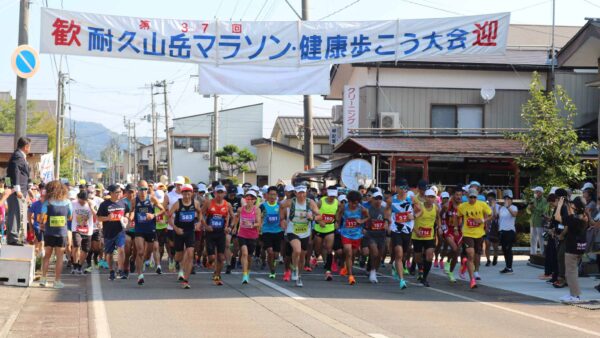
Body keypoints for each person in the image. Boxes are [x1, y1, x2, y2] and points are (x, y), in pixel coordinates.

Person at [279, 185, 321, 287]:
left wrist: (313, 217)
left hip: (305, 232)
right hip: (292, 229)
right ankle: (294, 267)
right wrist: (282, 219)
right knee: (297, 250)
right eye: (299, 193)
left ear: (306, 193)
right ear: (296, 193)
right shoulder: (291, 202)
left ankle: (299, 276)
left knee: (302, 256)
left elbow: (319, 216)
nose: (301, 195)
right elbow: (281, 206)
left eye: (303, 192)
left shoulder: (310, 202)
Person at [456, 188, 492, 289]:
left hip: (479, 234)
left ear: (477, 197)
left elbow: (491, 215)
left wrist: (482, 220)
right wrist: (456, 228)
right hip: (467, 234)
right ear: (467, 197)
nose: (472, 199)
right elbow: (457, 216)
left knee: (477, 255)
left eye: (474, 197)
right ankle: (472, 279)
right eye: (470, 197)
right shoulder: (462, 206)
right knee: (470, 254)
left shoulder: (482, 204)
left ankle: (471, 268)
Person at [38, 180, 72, 288]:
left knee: (47, 256)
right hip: (61, 233)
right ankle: (57, 281)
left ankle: (43, 279)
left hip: (49, 233)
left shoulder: (47, 203)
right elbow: (70, 217)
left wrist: (43, 223)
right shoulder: (68, 202)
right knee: (60, 258)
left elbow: (42, 219)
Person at [169, 184, 201, 289]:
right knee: (179, 256)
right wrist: (175, 228)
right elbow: (168, 216)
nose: (187, 196)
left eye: (188, 194)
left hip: (190, 231)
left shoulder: (195, 203)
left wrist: (198, 223)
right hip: (179, 232)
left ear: (191, 194)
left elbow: (200, 213)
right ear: (181, 194)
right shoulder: (177, 204)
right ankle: (176, 262)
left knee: (190, 254)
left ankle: (186, 280)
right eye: (185, 194)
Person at [557, 196, 588, 302]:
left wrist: (560, 205)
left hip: (572, 248)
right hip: (581, 247)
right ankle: (573, 294)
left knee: (570, 273)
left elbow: (558, 217)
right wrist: (569, 205)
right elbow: (572, 216)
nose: (572, 205)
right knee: (572, 272)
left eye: (573, 204)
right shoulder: (584, 216)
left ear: (577, 207)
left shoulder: (572, 219)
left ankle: (575, 296)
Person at [97, 184, 131, 281]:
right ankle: (111, 271)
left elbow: (127, 212)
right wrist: (107, 218)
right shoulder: (104, 204)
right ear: (111, 193)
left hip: (120, 231)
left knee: (121, 249)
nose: (119, 194)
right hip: (108, 232)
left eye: (120, 192)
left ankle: (120, 269)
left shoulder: (123, 203)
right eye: (117, 192)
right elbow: (98, 217)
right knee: (109, 253)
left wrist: (126, 218)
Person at [134, 180, 165, 286]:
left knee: (147, 254)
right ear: (137, 189)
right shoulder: (135, 200)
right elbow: (130, 212)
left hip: (150, 229)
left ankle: (144, 262)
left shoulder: (152, 198)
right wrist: (128, 219)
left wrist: (153, 215)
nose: (143, 191)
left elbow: (163, 209)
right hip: (139, 229)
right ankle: (140, 276)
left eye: (145, 189)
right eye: (141, 189)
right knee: (140, 251)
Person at [336, 190, 368, 285]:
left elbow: (368, 217)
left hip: (357, 234)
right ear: (348, 200)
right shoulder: (344, 207)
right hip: (345, 233)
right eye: (351, 202)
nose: (354, 205)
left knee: (353, 254)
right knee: (348, 252)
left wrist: (362, 221)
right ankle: (350, 276)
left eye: (356, 203)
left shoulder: (362, 209)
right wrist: (337, 222)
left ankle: (347, 268)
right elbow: (338, 214)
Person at [201, 185, 231, 286]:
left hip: (221, 233)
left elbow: (233, 216)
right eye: (218, 192)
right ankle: (207, 259)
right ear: (214, 193)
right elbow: (200, 214)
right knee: (212, 258)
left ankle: (217, 276)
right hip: (210, 233)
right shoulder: (208, 203)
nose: (219, 194)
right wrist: (205, 226)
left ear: (225, 194)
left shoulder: (227, 205)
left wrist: (229, 227)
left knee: (221, 257)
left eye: (221, 192)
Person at [412, 189, 441, 287]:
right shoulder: (419, 207)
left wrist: (440, 227)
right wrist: (416, 231)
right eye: (429, 197)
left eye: (432, 197)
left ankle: (424, 278)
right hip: (417, 236)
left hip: (429, 236)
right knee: (417, 257)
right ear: (425, 198)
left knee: (429, 256)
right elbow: (411, 219)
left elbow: (438, 218)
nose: (430, 199)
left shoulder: (436, 208)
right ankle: (420, 269)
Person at [6, 137, 32, 245]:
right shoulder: (17, 156)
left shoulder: (20, 156)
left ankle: (17, 237)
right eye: (29, 146)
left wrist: (29, 187)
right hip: (17, 190)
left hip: (21, 189)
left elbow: (24, 174)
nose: (30, 148)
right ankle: (13, 238)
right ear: (26, 147)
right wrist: (17, 189)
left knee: (18, 213)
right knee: (15, 212)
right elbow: (15, 173)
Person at [389, 178, 414, 289]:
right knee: (398, 253)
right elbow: (386, 212)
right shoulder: (391, 200)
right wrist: (387, 222)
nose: (404, 190)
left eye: (406, 188)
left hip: (407, 229)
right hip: (396, 229)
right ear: (397, 188)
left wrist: (414, 216)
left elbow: (420, 210)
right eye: (402, 188)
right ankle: (402, 280)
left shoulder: (411, 198)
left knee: (404, 253)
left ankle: (395, 265)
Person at [234, 190, 262, 284]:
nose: (249, 200)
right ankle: (245, 275)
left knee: (249, 257)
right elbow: (237, 218)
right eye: (247, 198)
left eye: (251, 199)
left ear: (254, 200)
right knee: (244, 253)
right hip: (242, 234)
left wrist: (251, 224)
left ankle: (248, 271)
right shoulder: (240, 209)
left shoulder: (257, 210)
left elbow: (259, 223)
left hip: (253, 235)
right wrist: (234, 227)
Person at [362, 190, 389, 284]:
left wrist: (386, 223)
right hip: (370, 234)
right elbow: (362, 220)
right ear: (372, 199)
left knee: (379, 255)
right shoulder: (367, 210)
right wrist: (363, 228)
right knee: (375, 252)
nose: (378, 201)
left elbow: (387, 219)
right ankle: (372, 272)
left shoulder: (384, 209)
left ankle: (373, 271)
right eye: (376, 199)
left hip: (381, 235)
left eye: (380, 199)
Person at [259, 186, 283, 279]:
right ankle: (272, 270)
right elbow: (258, 216)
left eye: (274, 194)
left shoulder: (280, 205)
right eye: (271, 194)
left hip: (278, 231)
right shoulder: (263, 206)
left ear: (277, 195)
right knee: (270, 252)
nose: (272, 196)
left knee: (276, 255)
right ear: (267, 195)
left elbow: (284, 216)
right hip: (266, 231)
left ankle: (273, 262)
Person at [315, 186, 339, 281]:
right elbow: (314, 212)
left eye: (334, 196)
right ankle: (315, 256)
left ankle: (328, 271)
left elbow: (338, 213)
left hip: (330, 228)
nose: (332, 197)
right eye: (331, 195)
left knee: (329, 249)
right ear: (328, 193)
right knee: (318, 249)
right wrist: (319, 221)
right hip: (319, 228)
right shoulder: (321, 201)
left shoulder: (337, 203)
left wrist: (336, 221)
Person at [71, 191, 95, 275]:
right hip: (76, 228)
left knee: (86, 250)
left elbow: (96, 216)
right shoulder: (73, 203)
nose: (82, 202)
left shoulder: (91, 203)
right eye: (81, 200)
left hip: (88, 230)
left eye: (84, 201)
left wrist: (91, 207)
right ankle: (74, 264)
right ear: (78, 198)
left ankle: (79, 266)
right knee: (76, 245)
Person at [443, 186, 463, 282]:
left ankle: (451, 271)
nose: (458, 197)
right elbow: (440, 215)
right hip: (448, 229)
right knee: (454, 248)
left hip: (459, 231)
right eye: (457, 195)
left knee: (456, 252)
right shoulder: (448, 204)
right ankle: (447, 261)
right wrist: (443, 209)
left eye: (460, 195)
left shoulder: (464, 205)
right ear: (453, 195)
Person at [164, 177, 184, 272]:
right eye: (177, 184)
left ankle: (178, 263)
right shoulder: (169, 195)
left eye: (181, 184)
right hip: (171, 223)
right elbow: (164, 207)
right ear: (175, 184)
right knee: (172, 244)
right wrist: (168, 216)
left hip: (183, 223)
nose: (179, 186)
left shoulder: (186, 195)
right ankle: (172, 258)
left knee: (181, 245)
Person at [498, 190, 518, 274]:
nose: (507, 200)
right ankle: (507, 266)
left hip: (510, 231)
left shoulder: (513, 207)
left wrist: (507, 207)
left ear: (511, 200)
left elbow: (514, 214)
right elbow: (499, 219)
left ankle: (510, 267)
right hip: (502, 231)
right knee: (504, 250)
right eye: (505, 198)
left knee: (508, 249)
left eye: (509, 199)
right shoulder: (501, 208)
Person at [528, 186, 548, 255]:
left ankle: (543, 254)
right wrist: (530, 208)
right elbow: (528, 210)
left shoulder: (544, 201)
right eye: (535, 192)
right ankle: (533, 254)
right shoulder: (533, 200)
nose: (535, 193)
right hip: (532, 223)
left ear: (540, 193)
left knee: (541, 240)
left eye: (536, 192)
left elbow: (543, 211)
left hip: (540, 223)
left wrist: (534, 208)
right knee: (533, 240)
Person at [485, 192, 500, 267]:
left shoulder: (498, 207)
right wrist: (486, 227)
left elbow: (496, 217)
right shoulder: (485, 206)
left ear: (494, 199)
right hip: (488, 228)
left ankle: (495, 257)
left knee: (495, 246)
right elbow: (485, 217)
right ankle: (488, 260)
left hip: (495, 229)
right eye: (489, 199)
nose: (490, 201)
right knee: (487, 244)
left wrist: (493, 208)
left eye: (491, 199)